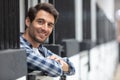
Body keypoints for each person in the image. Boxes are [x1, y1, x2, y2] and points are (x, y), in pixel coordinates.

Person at [20, 2, 75, 77]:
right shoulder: (20, 45)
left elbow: (71, 68)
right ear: (28, 22)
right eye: (40, 22)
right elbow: (54, 69)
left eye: (49, 25)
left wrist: (61, 64)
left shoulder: (41, 50)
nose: (45, 29)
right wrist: (59, 64)